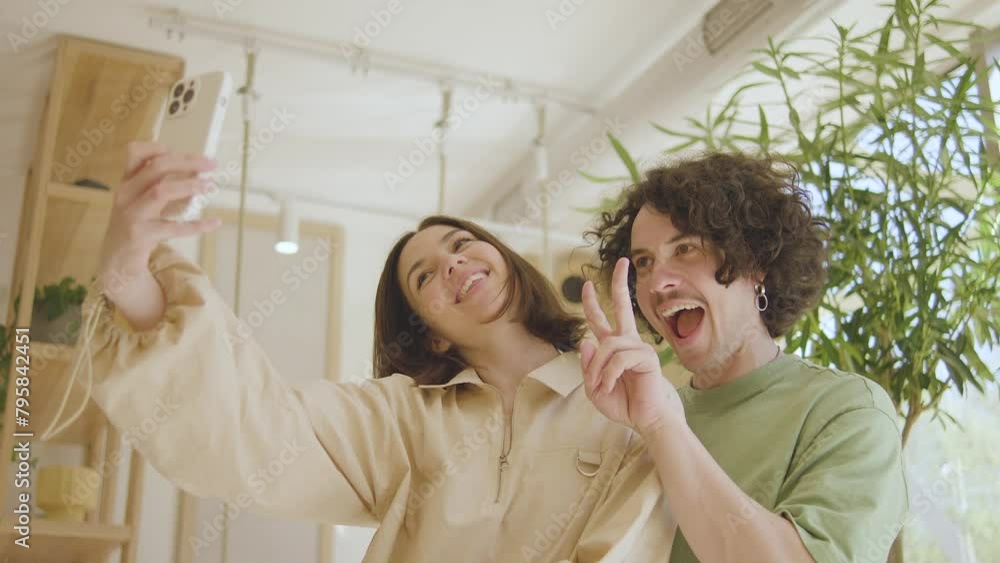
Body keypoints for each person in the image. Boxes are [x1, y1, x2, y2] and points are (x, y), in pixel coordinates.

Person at [61, 141, 677, 562]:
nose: (454, 263)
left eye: (463, 244)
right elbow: (254, 430)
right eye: (425, 276)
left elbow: (635, 539)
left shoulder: (622, 390)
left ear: (505, 260)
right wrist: (129, 276)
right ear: (431, 332)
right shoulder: (402, 419)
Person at [579, 152, 908, 562]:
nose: (657, 282)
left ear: (755, 263)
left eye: (685, 249)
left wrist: (662, 424)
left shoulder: (846, 410)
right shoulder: (635, 423)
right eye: (644, 263)